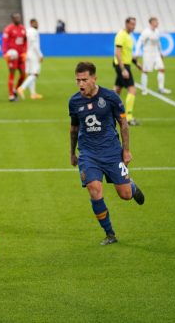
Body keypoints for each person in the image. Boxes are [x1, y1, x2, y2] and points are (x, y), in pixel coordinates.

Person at [69, 62, 145, 245]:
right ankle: (110, 233)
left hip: (111, 152)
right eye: (78, 80)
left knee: (125, 195)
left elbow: (123, 124)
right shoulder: (74, 101)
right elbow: (73, 128)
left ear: (94, 78)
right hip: (88, 153)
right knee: (94, 190)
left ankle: (131, 186)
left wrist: (126, 150)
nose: (81, 84)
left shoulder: (111, 97)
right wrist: (72, 153)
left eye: (84, 80)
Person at [113, 17, 142, 126]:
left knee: (116, 90)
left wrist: (137, 63)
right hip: (122, 65)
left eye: (135, 24)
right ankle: (129, 117)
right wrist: (123, 69)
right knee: (132, 90)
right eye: (132, 24)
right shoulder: (121, 35)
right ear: (126, 24)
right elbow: (118, 53)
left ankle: (107, 112)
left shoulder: (129, 37)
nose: (133, 27)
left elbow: (128, 54)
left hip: (125, 64)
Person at [139, 17, 170, 95]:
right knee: (145, 71)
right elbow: (140, 41)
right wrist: (136, 53)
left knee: (162, 69)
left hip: (156, 53)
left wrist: (161, 52)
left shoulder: (157, 31)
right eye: (155, 22)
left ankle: (161, 88)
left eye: (157, 22)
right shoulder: (146, 32)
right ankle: (144, 89)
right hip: (148, 54)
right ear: (151, 23)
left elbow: (158, 43)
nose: (157, 23)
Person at [2, 13, 27, 101]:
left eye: (19, 17)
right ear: (13, 19)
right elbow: (4, 41)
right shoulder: (8, 29)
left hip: (21, 55)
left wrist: (25, 52)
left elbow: (25, 41)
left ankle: (15, 90)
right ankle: (11, 96)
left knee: (24, 74)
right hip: (12, 55)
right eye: (16, 18)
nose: (18, 19)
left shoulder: (23, 28)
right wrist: (5, 53)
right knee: (12, 73)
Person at [17, 18, 44, 100]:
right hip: (33, 55)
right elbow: (34, 44)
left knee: (31, 74)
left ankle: (33, 94)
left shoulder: (27, 31)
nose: (37, 24)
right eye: (36, 23)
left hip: (28, 54)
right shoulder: (33, 31)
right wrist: (40, 55)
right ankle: (22, 88)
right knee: (35, 74)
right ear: (31, 23)